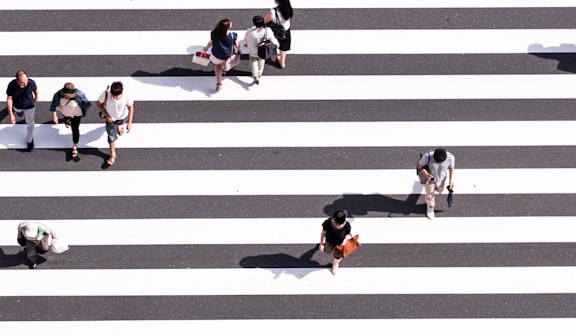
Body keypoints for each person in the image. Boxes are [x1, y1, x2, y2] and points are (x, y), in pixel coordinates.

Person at [95, 81, 134, 167]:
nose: (115, 98)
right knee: (111, 136)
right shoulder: (106, 94)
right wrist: (107, 115)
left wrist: (129, 123)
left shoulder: (127, 96)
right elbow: (98, 104)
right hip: (111, 119)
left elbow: (131, 107)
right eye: (113, 96)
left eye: (117, 96)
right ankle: (113, 155)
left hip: (123, 116)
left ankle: (120, 126)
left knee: (120, 125)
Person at [50, 82, 92, 161]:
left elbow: (87, 104)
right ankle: (68, 119)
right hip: (65, 112)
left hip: (76, 114)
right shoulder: (57, 95)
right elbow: (53, 105)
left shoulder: (79, 94)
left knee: (75, 128)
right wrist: (54, 115)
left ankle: (75, 145)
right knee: (67, 117)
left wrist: (84, 111)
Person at [203, 19, 242, 92]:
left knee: (218, 65)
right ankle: (224, 70)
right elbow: (237, 45)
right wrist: (239, 51)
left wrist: (206, 48)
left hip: (217, 54)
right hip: (228, 55)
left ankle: (218, 84)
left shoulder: (214, 33)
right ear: (228, 27)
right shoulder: (232, 36)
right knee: (226, 63)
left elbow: (210, 43)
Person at [417, 148, 455, 219]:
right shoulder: (427, 156)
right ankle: (430, 207)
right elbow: (420, 166)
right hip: (430, 179)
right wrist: (426, 175)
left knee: (440, 190)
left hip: (442, 178)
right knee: (430, 194)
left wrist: (451, 180)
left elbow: (451, 168)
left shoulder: (451, 158)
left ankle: (434, 192)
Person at [6, 70, 39, 151]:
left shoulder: (31, 83)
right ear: (17, 81)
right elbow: (9, 99)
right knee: (18, 111)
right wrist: (11, 114)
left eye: (26, 81)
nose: (25, 84)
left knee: (30, 123)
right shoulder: (12, 85)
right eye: (22, 82)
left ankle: (29, 139)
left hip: (29, 106)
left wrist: (37, 96)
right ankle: (19, 113)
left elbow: (35, 90)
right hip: (17, 105)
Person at [243, 15, 279, 85]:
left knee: (253, 61)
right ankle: (259, 73)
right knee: (261, 60)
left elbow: (245, 41)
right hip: (263, 50)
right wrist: (277, 44)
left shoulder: (250, 31)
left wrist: (245, 44)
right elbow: (273, 40)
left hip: (253, 50)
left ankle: (255, 76)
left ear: (254, 23)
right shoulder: (267, 31)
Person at [319, 210, 352, 275]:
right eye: (333, 220)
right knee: (327, 251)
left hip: (340, 243)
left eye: (335, 222)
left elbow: (348, 234)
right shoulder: (328, 223)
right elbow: (323, 233)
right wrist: (321, 244)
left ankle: (335, 264)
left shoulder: (347, 226)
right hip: (329, 241)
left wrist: (345, 239)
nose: (333, 221)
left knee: (338, 256)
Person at [264, 0, 293, 69]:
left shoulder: (273, 11)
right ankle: (282, 62)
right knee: (283, 46)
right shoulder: (288, 9)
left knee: (271, 40)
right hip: (285, 29)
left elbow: (265, 20)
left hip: (275, 30)